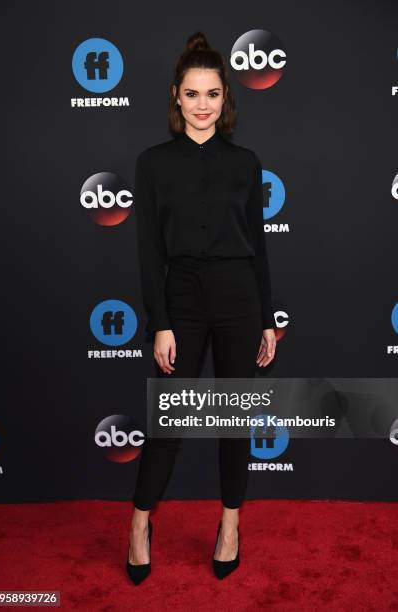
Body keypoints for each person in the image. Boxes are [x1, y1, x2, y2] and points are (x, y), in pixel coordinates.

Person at [126, 31, 277, 585]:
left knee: (235, 422)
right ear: (175, 97)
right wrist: (159, 323)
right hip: (182, 298)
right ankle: (141, 524)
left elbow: (259, 244)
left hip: (240, 296)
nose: (202, 104)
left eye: (212, 93)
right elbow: (148, 254)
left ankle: (230, 525)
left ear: (225, 98)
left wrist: (266, 316)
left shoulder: (247, 162)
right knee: (168, 422)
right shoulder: (152, 164)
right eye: (192, 94)